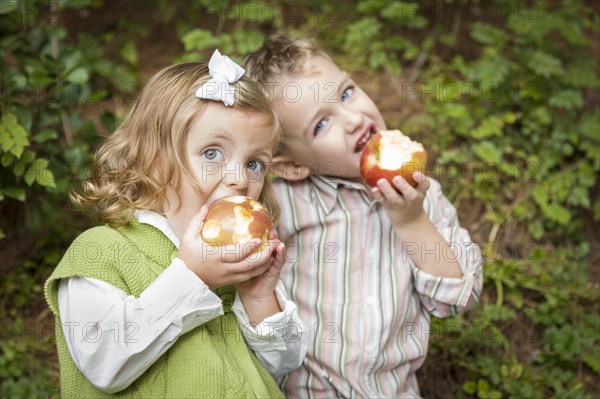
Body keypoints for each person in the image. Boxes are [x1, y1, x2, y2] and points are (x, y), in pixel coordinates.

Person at [44, 50, 308, 398]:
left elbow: (281, 365)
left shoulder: (238, 266)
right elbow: (103, 363)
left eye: (255, 163)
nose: (239, 179)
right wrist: (192, 277)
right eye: (212, 153)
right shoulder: (100, 252)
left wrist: (259, 298)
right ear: (153, 161)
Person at [244, 34, 483, 398]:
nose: (353, 119)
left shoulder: (420, 194)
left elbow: (456, 298)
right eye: (321, 125)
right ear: (292, 166)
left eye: (345, 93)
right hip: (309, 390)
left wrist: (410, 220)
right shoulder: (282, 207)